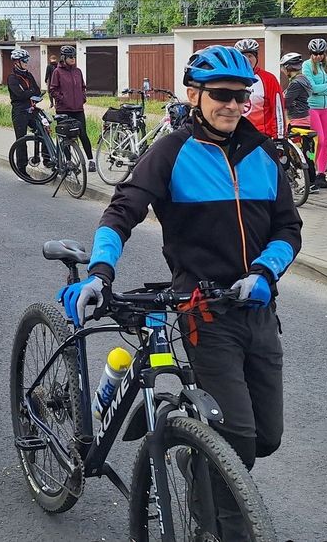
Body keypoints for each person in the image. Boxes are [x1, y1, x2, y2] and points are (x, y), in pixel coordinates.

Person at [59, 45, 301, 536]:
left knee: (266, 438)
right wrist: (100, 272)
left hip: (257, 309)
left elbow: (288, 228)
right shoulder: (171, 153)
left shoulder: (265, 153)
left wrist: (264, 272)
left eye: (240, 95)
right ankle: (224, 526)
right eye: (221, 95)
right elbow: (121, 211)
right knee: (236, 440)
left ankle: (197, 466)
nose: (232, 105)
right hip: (203, 315)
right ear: (195, 95)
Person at [49, 45, 95, 172]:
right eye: (70, 57)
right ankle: (68, 161)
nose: (73, 58)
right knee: (65, 137)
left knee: (83, 134)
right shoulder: (57, 72)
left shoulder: (77, 71)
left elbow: (83, 87)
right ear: (63, 58)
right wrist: (63, 99)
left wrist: (82, 97)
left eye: (74, 56)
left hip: (78, 109)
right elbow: (53, 90)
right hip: (63, 110)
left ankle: (91, 160)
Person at [301, 38, 327, 188]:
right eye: (314, 53)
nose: (317, 56)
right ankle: (312, 170)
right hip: (313, 107)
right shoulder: (306, 65)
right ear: (310, 53)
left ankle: (321, 174)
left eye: (320, 53)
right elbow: (312, 88)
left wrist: (322, 88)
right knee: (320, 140)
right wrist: (326, 86)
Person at [281, 52, 318, 193]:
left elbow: (285, 102)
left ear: (289, 68)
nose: (283, 71)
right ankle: (311, 182)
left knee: (300, 153)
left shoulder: (296, 83)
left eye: (284, 68)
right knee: (306, 152)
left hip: (299, 121)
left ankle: (311, 183)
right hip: (303, 119)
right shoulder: (302, 79)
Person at [235, 38, 285, 140]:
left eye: (250, 56)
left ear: (256, 58)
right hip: (236, 134)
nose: (247, 59)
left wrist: (279, 137)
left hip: (261, 136)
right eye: (243, 57)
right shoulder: (232, 79)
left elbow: (278, 108)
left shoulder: (268, 79)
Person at [7, 47, 47, 166]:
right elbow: (19, 95)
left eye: (27, 60)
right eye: (24, 60)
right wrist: (30, 92)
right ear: (16, 62)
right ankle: (22, 169)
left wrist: (29, 92)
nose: (26, 63)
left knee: (44, 130)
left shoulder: (28, 75)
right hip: (19, 111)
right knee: (21, 140)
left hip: (31, 109)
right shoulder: (12, 78)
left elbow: (37, 90)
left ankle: (47, 159)